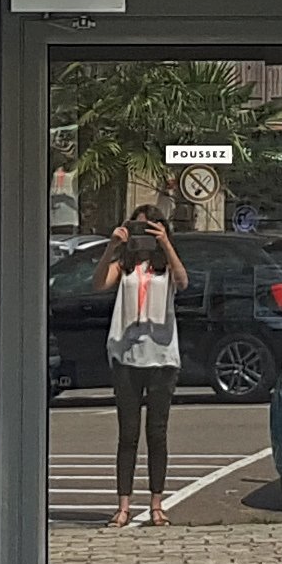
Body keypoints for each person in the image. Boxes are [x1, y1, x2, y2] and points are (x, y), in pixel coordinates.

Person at [92, 205, 186, 526]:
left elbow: (183, 281)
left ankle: (157, 504)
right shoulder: (126, 265)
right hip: (127, 357)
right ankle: (123, 506)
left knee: (157, 433)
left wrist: (166, 244)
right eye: (139, 229)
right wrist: (112, 246)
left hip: (161, 358)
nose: (143, 236)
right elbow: (99, 283)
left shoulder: (164, 265)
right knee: (127, 434)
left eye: (150, 230)